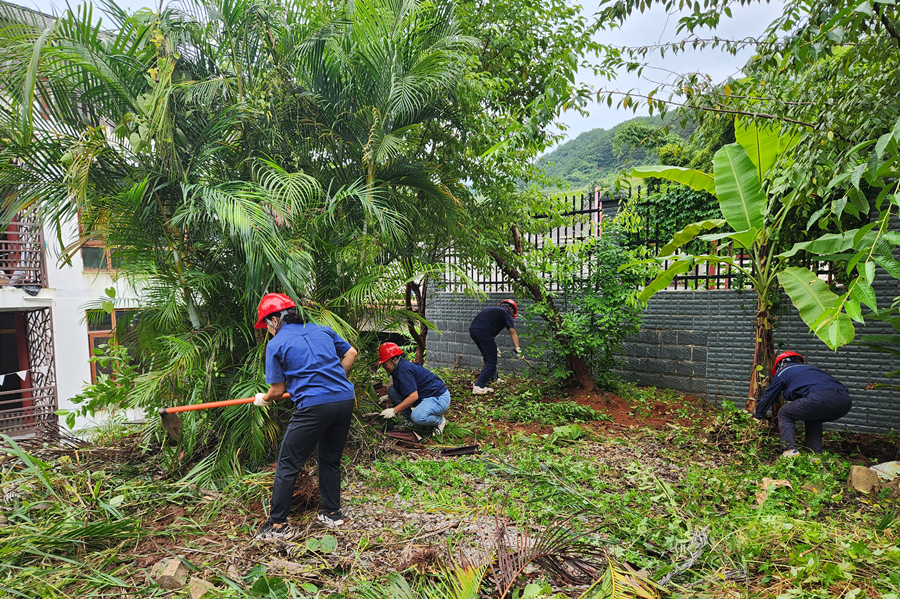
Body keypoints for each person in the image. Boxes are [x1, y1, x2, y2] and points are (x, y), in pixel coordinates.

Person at [252, 293, 358, 540]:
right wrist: (334, 380)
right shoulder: (322, 329)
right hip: (343, 399)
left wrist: (263, 398)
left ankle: (277, 526)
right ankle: (332, 513)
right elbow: (351, 353)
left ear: (275, 319)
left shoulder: (276, 344)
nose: (267, 330)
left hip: (314, 406)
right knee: (330, 458)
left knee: (288, 463)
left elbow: (277, 391)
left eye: (267, 325)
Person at [754, 351, 852, 457]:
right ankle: (814, 453)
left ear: (781, 365)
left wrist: (758, 415)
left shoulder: (784, 371)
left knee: (784, 412)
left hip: (820, 397)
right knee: (813, 416)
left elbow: (769, 396)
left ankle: (790, 450)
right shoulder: (812, 370)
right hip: (845, 401)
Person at [376, 342, 450, 434]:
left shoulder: (404, 370)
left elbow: (413, 396)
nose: (383, 367)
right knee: (392, 391)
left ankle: (439, 421)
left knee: (417, 416)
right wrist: (388, 396)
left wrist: (393, 410)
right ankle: (410, 422)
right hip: (424, 395)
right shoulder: (398, 368)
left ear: (394, 359)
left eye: (385, 363)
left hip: (439, 398)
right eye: (382, 364)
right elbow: (403, 388)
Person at [468, 299, 522, 394]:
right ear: (511, 308)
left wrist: (493, 347)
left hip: (473, 330)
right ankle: (479, 386)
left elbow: (484, 324)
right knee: (492, 360)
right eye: (513, 312)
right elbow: (513, 332)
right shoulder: (506, 313)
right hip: (484, 332)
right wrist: (518, 349)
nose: (512, 314)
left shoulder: (493, 310)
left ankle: (495, 379)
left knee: (488, 357)